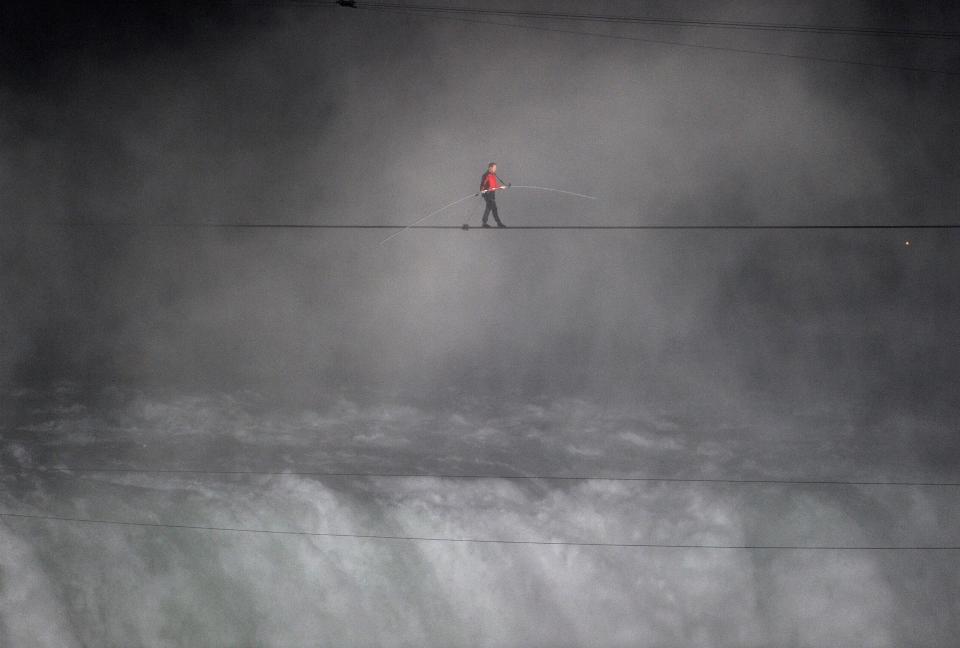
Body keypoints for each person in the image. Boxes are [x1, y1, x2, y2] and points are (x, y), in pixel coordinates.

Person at [479, 162, 509, 228]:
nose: (495, 169)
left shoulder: (493, 175)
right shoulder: (486, 175)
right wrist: (482, 190)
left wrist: (501, 187)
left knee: (489, 208)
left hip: (492, 194)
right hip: (487, 194)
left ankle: (484, 223)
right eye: (494, 168)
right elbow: (482, 184)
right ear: (490, 168)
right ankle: (499, 223)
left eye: (495, 168)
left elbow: (495, 185)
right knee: (494, 208)